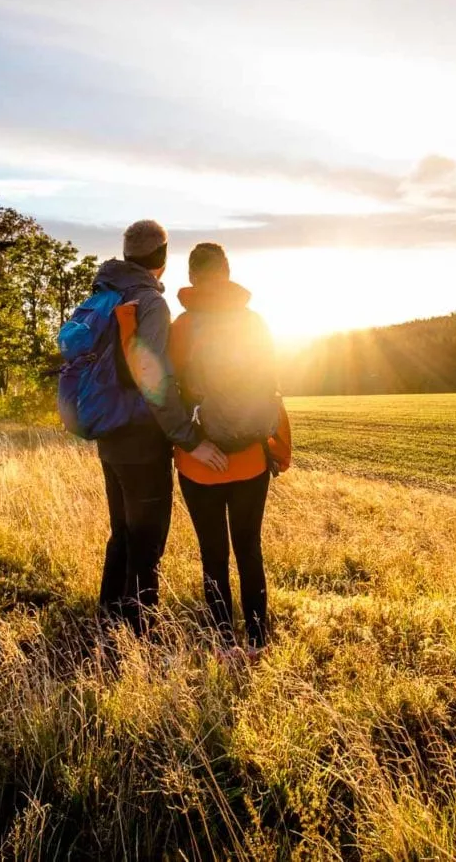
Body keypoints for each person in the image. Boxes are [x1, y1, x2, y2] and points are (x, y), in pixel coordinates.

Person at [95, 221, 228, 635]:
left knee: (122, 533)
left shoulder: (104, 291)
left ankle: (108, 621)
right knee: (147, 540)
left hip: (109, 433)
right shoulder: (151, 303)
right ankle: (141, 634)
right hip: (141, 439)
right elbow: (151, 378)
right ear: (163, 258)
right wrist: (188, 437)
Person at [169, 243, 291, 659]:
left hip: (199, 461)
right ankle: (257, 642)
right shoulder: (254, 322)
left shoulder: (184, 326)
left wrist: (190, 442)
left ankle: (224, 644)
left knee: (214, 555)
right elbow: (272, 386)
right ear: (227, 271)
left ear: (192, 277)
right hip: (251, 458)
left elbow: (167, 392)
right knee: (249, 549)